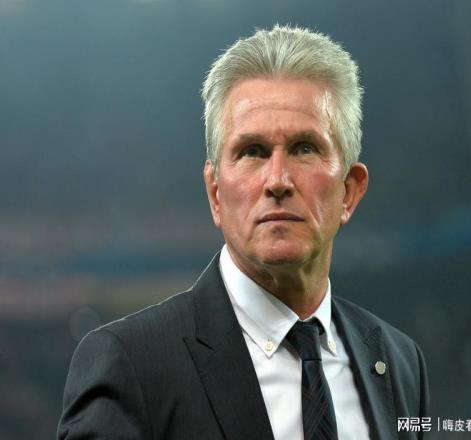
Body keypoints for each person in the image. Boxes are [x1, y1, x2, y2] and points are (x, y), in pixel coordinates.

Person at [58, 25, 429, 440]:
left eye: (305, 148)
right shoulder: (130, 363)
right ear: (215, 193)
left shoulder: (399, 361)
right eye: (252, 152)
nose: (278, 180)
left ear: (350, 191)